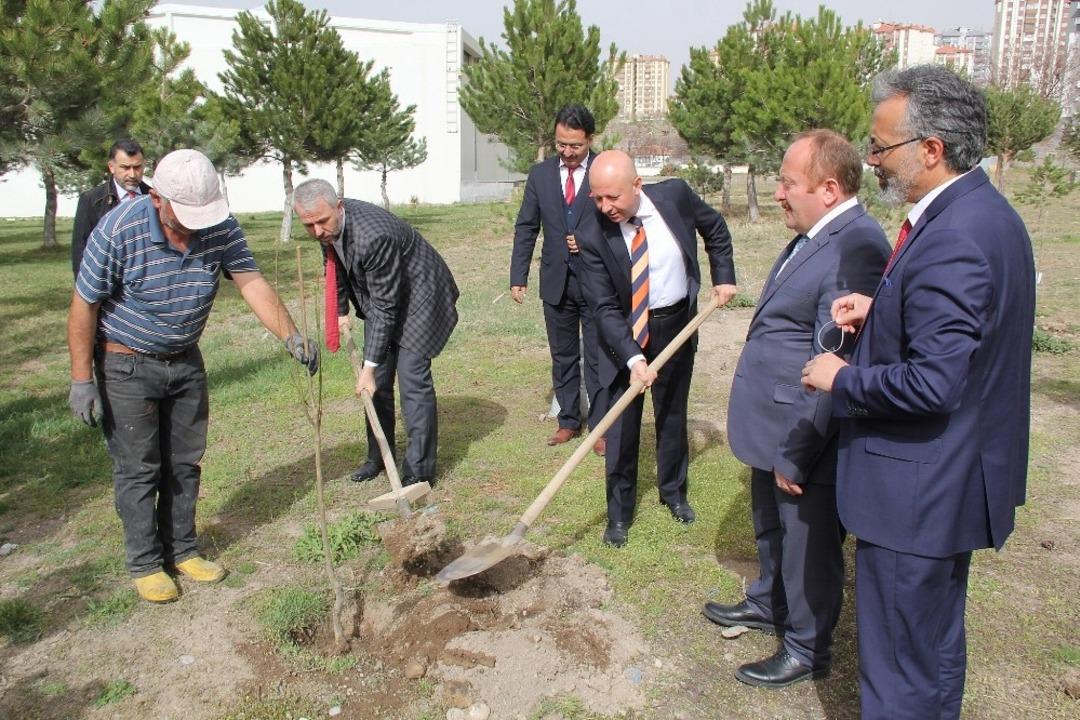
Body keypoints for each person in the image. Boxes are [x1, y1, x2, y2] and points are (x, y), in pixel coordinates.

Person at [801, 66, 1036, 719]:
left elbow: (935, 381)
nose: (873, 161)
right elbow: (968, 337)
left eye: (881, 147)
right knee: (930, 648)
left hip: (918, 494)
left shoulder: (954, 236)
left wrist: (841, 378)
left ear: (931, 149)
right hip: (950, 480)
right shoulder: (983, 214)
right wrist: (881, 310)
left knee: (900, 669)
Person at [67, 149, 320, 604]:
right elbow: (84, 303)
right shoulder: (118, 228)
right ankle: (146, 562)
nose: (194, 227)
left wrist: (291, 335)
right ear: (157, 198)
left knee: (184, 461)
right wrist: (82, 378)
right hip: (127, 364)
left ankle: (182, 549)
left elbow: (251, 282)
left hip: (184, 361)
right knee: (139, 467)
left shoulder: (220, 226)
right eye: (185, 216)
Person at [704, 130, 889, 688]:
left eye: (788, 183)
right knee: (773, 525)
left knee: (808, 542)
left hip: (805, 428)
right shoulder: (816, 235)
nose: (779, 194)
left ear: (829, 189)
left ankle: (807, 647)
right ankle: (770, 601)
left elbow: (834, 359)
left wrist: (800, 450)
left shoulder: (856, 245)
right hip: (775, 422)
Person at [578, 150, 737, 547]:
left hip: (676, 325)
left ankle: (673, 493)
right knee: (621, 427)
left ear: (637, 185)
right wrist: (633, 358)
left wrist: (723, 275)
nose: (605, 206)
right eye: (597, 197)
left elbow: (715, 228)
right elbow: (603, 307)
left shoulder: (676, 197)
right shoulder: (590, 232)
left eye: (613, 197)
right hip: (622, 336)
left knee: (671, 414)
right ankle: (619, 514)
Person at [292, 179, 459, 488]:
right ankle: (379, 456)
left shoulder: (373, 237)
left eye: (321, 221)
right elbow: (335, 264)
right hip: (385, 296)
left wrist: (368, 368)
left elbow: (385, 308)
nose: (317, 231)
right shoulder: (327, 227)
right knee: (377, 383)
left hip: (421, 296)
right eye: (308, 225)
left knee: (412, 380)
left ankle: (419, 471)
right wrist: (341, 309)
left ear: (338, 207)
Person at [509, 105, 605, 454]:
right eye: (561, 144)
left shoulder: (605, 170)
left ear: (590, 139)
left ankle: (601, 426)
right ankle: (568, 420)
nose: (567, 152)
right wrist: (518, 275)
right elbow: (526, 227)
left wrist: (589, 241)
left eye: (575, 145)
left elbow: (621, 222)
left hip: (597, 282)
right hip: (556, 281)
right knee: (562, 355)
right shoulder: (541, 175)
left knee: (598, 357)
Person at [71, 139, 150, 277]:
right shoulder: (91, 200)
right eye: (125, 168)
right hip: (106, 279)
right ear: (111, 167)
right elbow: (80, 248)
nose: (132, 174)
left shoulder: (154, 198)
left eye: (137, 167)